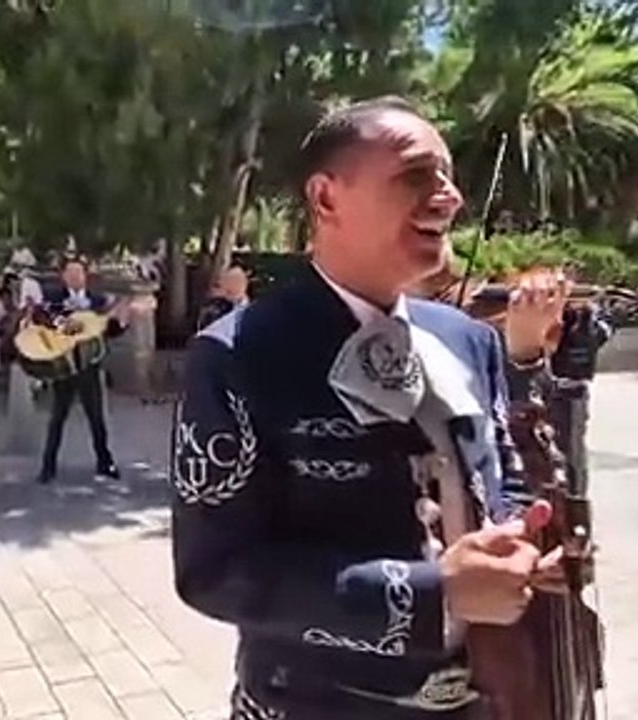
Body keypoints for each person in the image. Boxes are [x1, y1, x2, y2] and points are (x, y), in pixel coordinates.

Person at [170, 96, 567, 718]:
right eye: (415, 174)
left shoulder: (470, 339)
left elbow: (501, 476)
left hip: (486, 700)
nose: (448, 197)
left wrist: (522, 543)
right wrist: (431, 594)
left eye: (447, 176)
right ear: (326, 198)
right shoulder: (237, 355)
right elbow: (214, 571)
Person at [35, 255, 123, 485]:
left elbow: (110, 331)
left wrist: (120, 320)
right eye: (70, 272)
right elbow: (45, 323)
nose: (74, 277)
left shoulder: (98, 300)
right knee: (57, 418)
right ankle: (48, 466)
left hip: (89, 366)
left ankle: (105, 462)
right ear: (63, 276)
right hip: (63, 367)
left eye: (79, 272)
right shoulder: (53, 298)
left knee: (96, 417)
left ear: (85, 276)